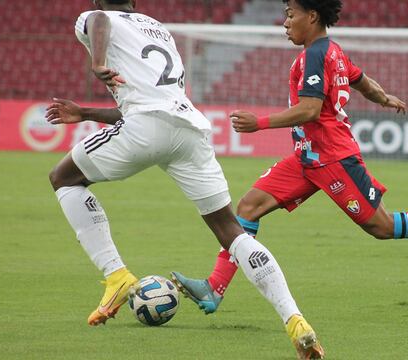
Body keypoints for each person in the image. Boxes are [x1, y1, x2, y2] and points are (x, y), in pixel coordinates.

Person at [172, 0, 408, 317]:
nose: (285, 23)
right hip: (306, 159)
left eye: (290, 14)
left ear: (311, 16)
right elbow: (361, 81)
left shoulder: (316, 54)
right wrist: (384, 98)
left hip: (334, 159)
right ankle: (214, 288)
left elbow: (311, 109)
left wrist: (259, 123)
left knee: (381, 226)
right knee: (248, 207)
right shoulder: (332, 52)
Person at [46, 1, 324, 358]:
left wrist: (97, 62)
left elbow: (100, 20)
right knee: (231, 231)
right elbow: (148, 103)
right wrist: (84, 112)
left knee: (64, 178)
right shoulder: (158, 28)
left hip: (147, 126)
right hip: (189, 129)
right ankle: (295, 320)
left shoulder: (96, 18)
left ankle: (116, 277)